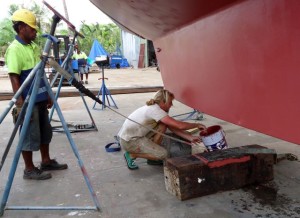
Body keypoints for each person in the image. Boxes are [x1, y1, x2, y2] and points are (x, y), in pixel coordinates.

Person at [5, 9, 68, 180]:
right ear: (21, 28)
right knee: (28, 134)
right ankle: (29, 168)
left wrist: (47, 94)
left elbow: (41, 75)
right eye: (32, 28)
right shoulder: (15, 49)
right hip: (28, 101)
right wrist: (20, 104)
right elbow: (14, 77)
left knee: (44, 132)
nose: (35, 31)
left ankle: (46, 161)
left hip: (40, 98)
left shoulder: (33, 46)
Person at [118, 89, 206, 170]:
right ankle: (132, 155)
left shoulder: (154, 107)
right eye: (170, 102)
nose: (171, 104)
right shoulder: (155, 111)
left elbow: (172, 126)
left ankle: (152, 155)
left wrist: (189, 138)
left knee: (163, 125)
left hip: (130, 136)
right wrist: (197, 125)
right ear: (163, 101)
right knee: (163, 154)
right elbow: (179, 126)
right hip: (130, 142)